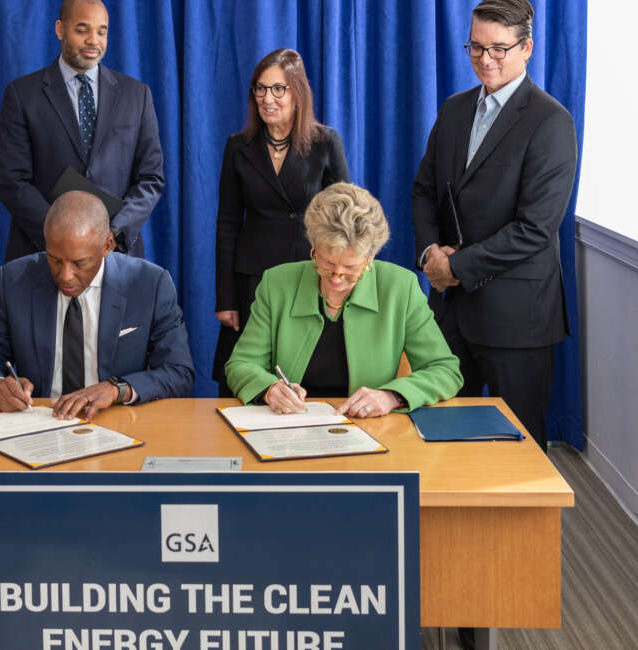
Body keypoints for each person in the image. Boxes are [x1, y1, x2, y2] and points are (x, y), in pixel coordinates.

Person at [411, 0, 577, 452]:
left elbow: (535, 229)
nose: (486, 60)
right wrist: (430, 254)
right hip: (449, 312)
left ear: (527, 48)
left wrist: (457, 266)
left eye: (499, 49)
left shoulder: (551, 122)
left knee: (519, 455)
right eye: (477, 47)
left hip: (517, 318)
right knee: (440, 444)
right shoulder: (453, 110)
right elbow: (424, 190)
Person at [226, 183, 462, 416]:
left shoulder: (400, 288)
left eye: (350, 268)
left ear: (370, 257)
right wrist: (270, 389)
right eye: (327, 264)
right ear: (313, 247)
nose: (336, 278)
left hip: (371, 429)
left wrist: (392, 396)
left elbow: (445, 370)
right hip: (290, 427)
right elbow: (241, 365)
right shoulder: (277, 284)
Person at [0, 191, 194, 419]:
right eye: (54, 259)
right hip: (39, 423)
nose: (65, 276)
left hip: (116, 420)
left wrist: (117, 389)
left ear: (107, 246)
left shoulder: (150, 284)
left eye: (79, 263)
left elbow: (178, 371)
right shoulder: (14, 281)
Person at [213, 48, 350, 396]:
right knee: (246, 377)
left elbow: (345, 220)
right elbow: (227, 223)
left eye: (278, 89)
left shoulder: (325, 142)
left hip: (308, 272)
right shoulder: (238, 146)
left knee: (305, 374)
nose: (267, 98)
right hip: (252, 278)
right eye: (260, 89)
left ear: (297, 92)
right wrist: (226, 298)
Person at [0, 0, 164, 262]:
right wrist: (62, 235)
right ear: (60, 29)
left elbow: (151, 179)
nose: (93, 40)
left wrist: (113, 233)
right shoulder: (22, 95)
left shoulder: (136, 95)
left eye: (102, 31)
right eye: (82, 30)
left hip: (115, 254)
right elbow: (12, 181)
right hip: (43, 254)